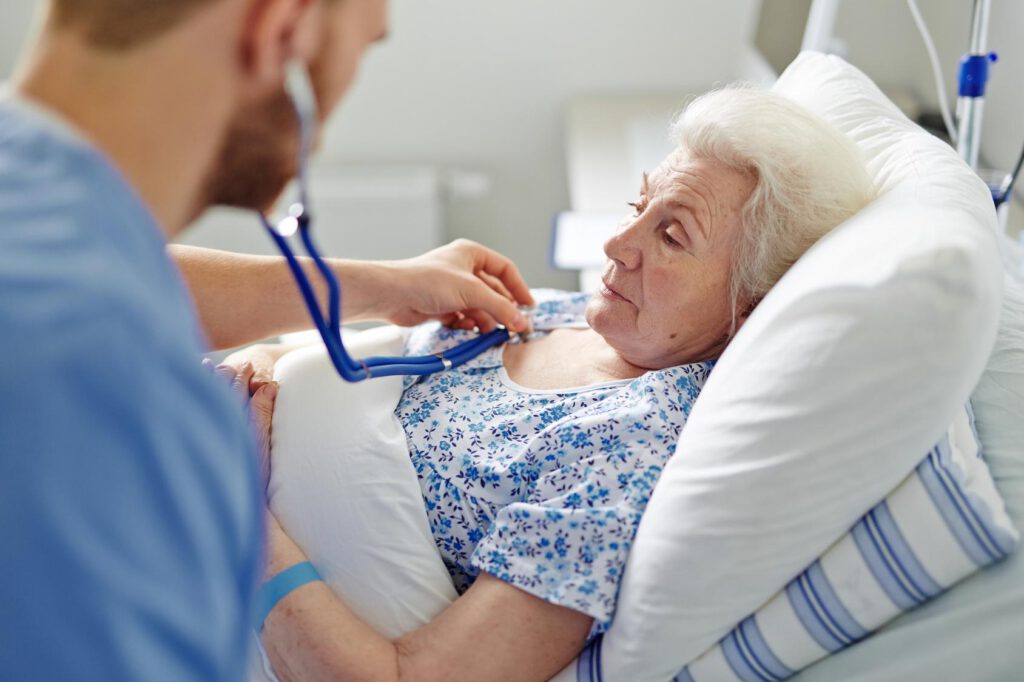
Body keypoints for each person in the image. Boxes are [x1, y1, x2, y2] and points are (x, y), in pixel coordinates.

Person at [227, 86, 878, 681]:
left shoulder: (621, 456)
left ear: (751, 307)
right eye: (638, 206)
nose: (617, 243)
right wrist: (254, 373)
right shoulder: (555, 313)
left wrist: (236, 509)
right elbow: (325, 367)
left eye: (672, 235)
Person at [0, 0, 534, 680]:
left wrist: (383, 285)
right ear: (280, 28)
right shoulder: (122, 409)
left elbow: (108, 261)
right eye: (360, 49)